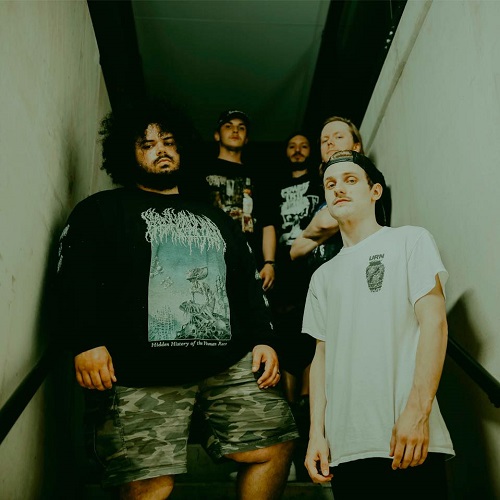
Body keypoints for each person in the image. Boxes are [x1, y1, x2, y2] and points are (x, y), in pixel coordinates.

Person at [56, 100, 298, 499]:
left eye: (168, 142)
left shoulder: (216, 217)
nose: (161, 150)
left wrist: (264, 339)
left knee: (274, 442)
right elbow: (75, 278)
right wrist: (86, 341)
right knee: (150, 482)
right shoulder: (100, 210)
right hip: (139, 372)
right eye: (147, 144)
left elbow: (246, 283)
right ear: (128, 153)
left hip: (226, 363)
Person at [303, 150, 454, 498]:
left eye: (350, 180)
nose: (338, 189)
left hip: (407, 439)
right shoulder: (322, 276)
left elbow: (435, 324)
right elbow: (321, 357)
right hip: (346, 449)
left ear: (375, 191)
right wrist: (316, 435)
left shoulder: (410, 240)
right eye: (330, 184)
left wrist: (417, 412)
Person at [204, 110, 276, 291]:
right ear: (216, 135)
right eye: (228, 126)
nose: (235, 130)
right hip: (210, 260)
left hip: (249, 262)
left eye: (241, 128)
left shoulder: (258, 176)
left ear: (247, 139)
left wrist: (269, 263)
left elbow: (268, 223)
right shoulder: (201, 171)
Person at [290, 116, 363, 265]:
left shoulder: (365, 177)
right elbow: (294, 251)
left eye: (339, 137)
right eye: (324, 140)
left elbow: (325, 223)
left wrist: (310, 236)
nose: (330, 142)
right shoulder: (321, 194)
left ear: (356, 146)